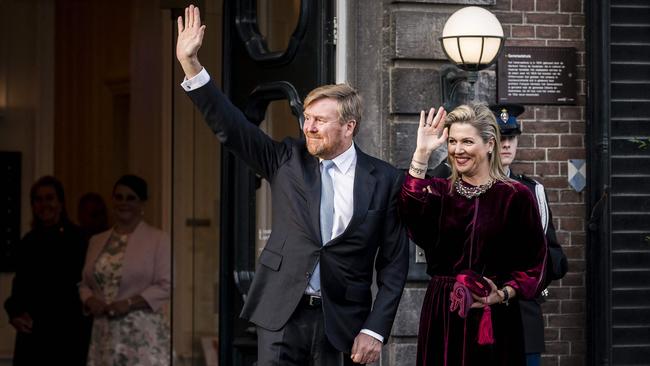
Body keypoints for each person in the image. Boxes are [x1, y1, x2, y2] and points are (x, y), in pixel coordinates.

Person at [176, 5, 409, 365]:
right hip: (281, 315)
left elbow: (394, 264)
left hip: (344, 324)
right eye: (307, 118)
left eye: (320, 120)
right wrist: (191, 65)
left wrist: (376, 329)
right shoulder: (286, 159)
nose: (309, 127)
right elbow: (231, 127)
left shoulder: (385, 179)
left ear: (349, 127)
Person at [399, 103, 547, 365]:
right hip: (443, 312)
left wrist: (503, 294)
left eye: (467, 141)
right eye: (453, 141)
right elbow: (409, 211)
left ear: (490, 144)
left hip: (494, 317)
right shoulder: (439, 191)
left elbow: (535, 264)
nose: (458, 150)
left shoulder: (516, 196)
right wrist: (421, 153)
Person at [491, 104, 568, 366]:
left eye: (511, 138)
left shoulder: (533, 191)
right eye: (500, 138)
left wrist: (532, 274)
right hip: (482, 318)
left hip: (524, 318)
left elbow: (556, 257)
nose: (507, 145)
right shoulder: (470, 189)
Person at [79, 174, 171, 365]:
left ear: (142, 203)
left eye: (131, 198)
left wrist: (128, 303)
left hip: (141, 333)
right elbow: (84, 283)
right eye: (119, 197)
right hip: (104, 332)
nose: (124, 203)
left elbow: (166, 285)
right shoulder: (96, 241)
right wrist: (89, 300)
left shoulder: (158, 239)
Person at [4, 176, 90, 365]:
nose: (44, 204)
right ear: (33, 205)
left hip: (69, 339)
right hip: (34, 341)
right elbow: (19, 291)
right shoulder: (28, 242)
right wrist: (15, 314)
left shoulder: (80, 239)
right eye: (38, 199)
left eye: (50, 198)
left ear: (60, 202)